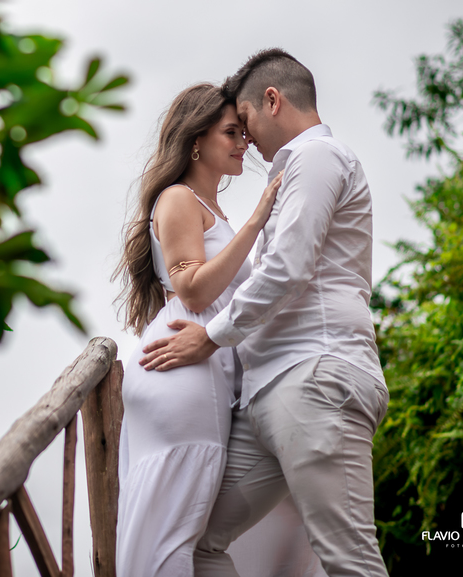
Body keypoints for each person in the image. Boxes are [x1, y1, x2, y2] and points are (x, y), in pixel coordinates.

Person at [139, 49, 389, 577]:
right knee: (200, 544)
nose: (246, 140)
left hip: (313, 375)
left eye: (245, 122)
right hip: (268, 394)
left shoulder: (316, 158)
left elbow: (289, 267)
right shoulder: (289, 173)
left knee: (347, 557)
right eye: (233, 132)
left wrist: (212, 338)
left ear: (271, 100)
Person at [113, 82, 284, 576]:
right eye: (231, 132)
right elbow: (192, 289)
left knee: (176, 529)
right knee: (173, 532)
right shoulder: (178, 198)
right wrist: (256, 224)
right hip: (185, 369)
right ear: (195, 140)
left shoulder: (203, 208)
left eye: (243, 133)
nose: (243, 143)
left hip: (195, 364)